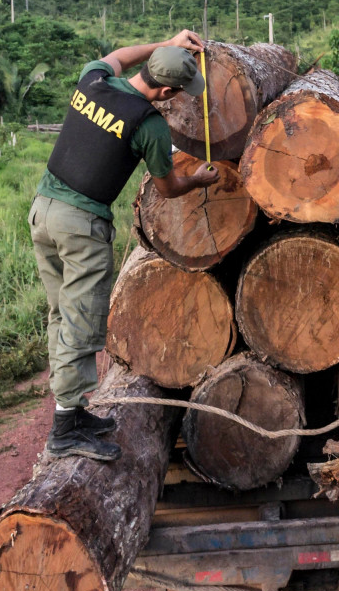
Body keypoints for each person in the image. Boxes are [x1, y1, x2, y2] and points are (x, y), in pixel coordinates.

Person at [32, 31, 220, 461]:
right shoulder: (148, 124)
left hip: (43, 210)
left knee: (62, 312)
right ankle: (64, 429)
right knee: (80, 321)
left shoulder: (94, 81)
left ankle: (72, 410)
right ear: (169, 91)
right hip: (80, 225)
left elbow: (115, 55)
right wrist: (200, 180)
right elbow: (169, 188)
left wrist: (163, 44)